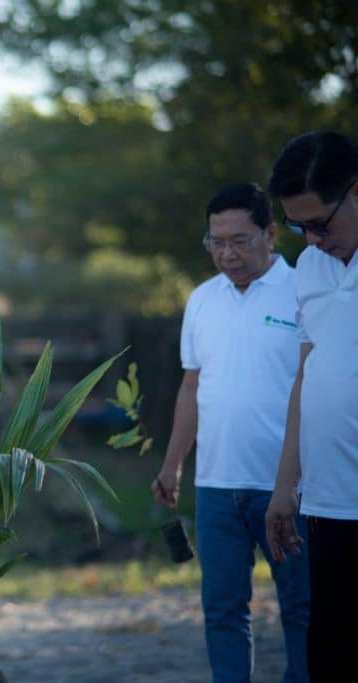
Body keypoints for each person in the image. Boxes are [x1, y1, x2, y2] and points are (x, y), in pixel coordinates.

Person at [152, 182, 309, 682]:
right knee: (222, 612)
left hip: (290, 485)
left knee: (302, 611)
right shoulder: (201, 300)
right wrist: (173, 463)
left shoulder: (303, 290)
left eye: (239, 240)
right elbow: (192, 387)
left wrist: (295, 480)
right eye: (216, 241)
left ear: (270, 234)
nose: (226, 253)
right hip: (216, 485)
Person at [265, 130, 358, 681]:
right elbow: (307, 374)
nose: (314, 239)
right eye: (300, 227)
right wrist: (285, 486)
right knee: (331, 654)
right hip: (331, 504)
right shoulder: (310, 268)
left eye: (321, 222)